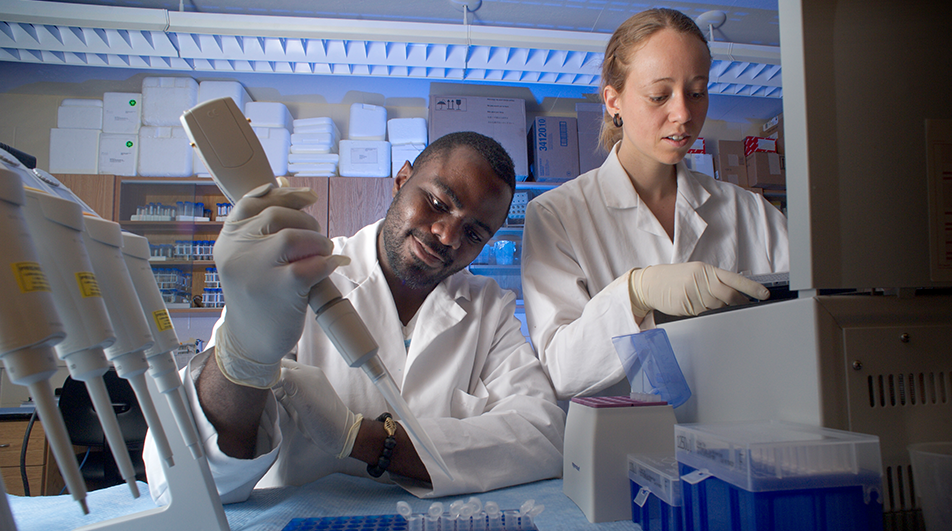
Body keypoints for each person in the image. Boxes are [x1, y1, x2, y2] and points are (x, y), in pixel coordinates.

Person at [144, 132, 565, 502]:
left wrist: (359, 437)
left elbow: (544, 437)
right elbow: (187, 479)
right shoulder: (300, 275)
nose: (447, 236)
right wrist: (243, 355)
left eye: (474, 233)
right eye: (437, 203)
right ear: (402, 180)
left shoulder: (487, 307)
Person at [521, 8, 789, 401]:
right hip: (623, 445)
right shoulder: (557, 215)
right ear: (614, 100)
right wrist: (633, 294)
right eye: (659, 96)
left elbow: (806, 319)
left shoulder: (751, 213)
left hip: (743, 434)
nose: (683, 114)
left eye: (697, 93)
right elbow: (560, 370)